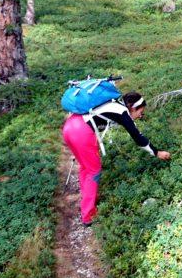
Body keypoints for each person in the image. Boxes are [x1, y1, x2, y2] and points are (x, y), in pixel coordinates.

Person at [60, 91, 170, 226]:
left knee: (86, 167)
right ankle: (88, 215)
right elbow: (138, 138)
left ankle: (87, 199)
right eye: (140, 113)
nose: (140, 116)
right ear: (133, 108)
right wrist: (157, 152)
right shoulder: (122, 111)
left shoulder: (113, 103)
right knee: (94, 171)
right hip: (81, 132)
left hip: (69, 126)